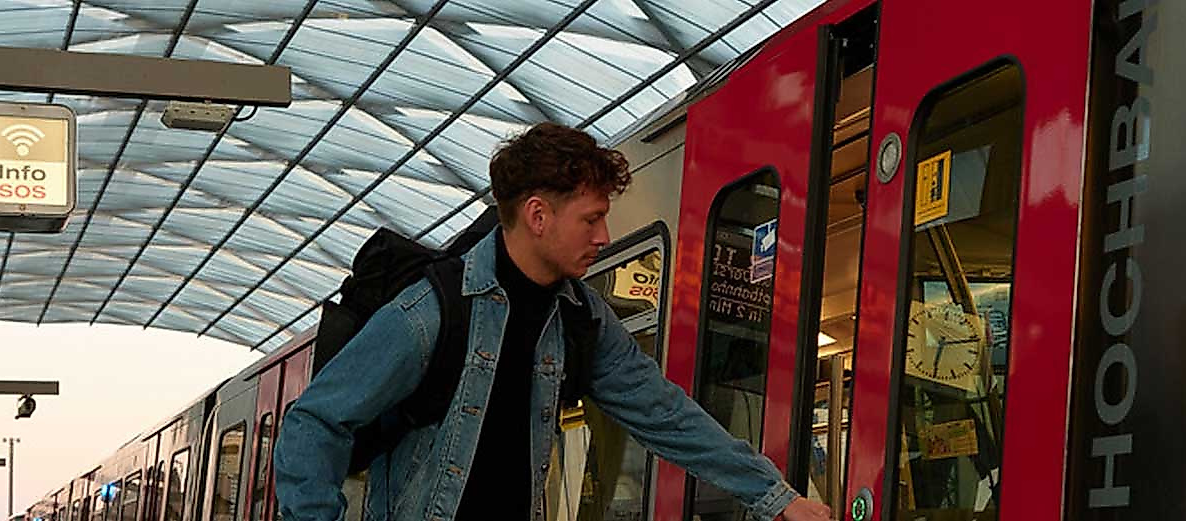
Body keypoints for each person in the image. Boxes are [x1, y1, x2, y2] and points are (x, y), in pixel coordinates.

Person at [274, 123, 836, 521]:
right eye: (591, 219)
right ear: (538, 215)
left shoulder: (579, 318)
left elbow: (666, 415)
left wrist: (775, 497)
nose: (604, 238)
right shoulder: (434, 309)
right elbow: (315, 421)